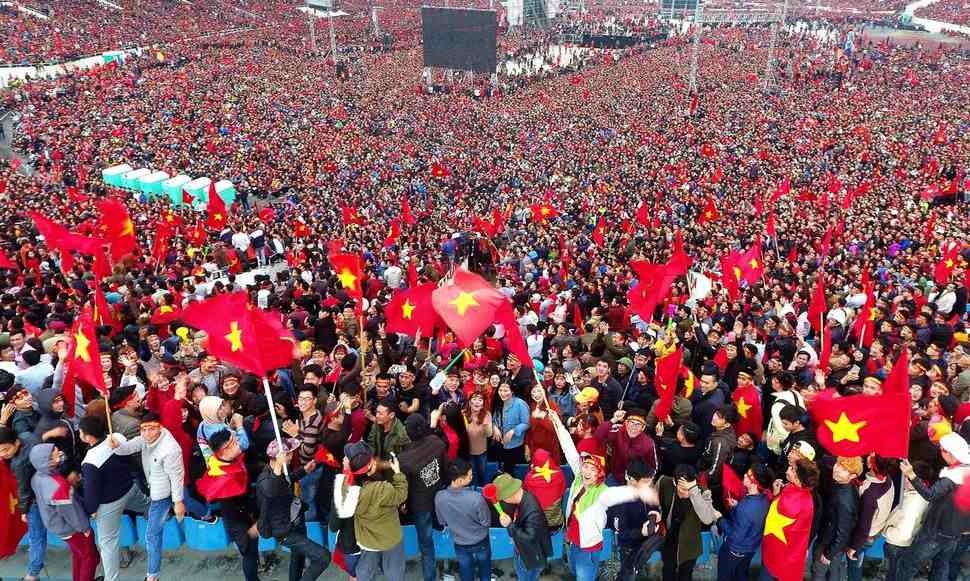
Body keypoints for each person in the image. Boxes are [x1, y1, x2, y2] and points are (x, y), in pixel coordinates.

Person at [551, 411, 657, 581]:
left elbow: (621, 493)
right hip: (572, 541)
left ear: (599, 473)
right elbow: (568, 448)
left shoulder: (603, 492)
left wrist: (642, 492)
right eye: (585, 466)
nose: (586, 471)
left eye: (592, 469)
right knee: (572, 569)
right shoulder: (579, 477)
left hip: (588, 547)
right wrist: (557, 422)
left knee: (584, 576)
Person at [109, 412, 187, 581]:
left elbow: (177, 477)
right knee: (153, 533)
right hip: (154, 488)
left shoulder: (171, 449)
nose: (147, 433)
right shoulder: (145, 439)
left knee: (152, 534)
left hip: (163, 495)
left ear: (161, 427)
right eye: (143, 429)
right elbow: (128, 448)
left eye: (152, 429)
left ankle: (152, 576)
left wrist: (178, 501)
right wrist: (116, 446)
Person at [78, 415, 150, 581]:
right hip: (130, 489)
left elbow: (91, 493)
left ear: (88, 436)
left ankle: (112, 578)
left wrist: (91, 511)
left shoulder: (90, 462)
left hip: (108, 504)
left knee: (108, 543)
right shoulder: (116, 438)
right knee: (148, 505)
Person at [896, 433, 970, 581]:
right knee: (941, 564)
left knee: (907, 564)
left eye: (942, 450)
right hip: (955, 532)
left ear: (952, 453)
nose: (940, 453)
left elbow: (930, 495)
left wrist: (912, 476)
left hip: (936, 531)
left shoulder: (951, 478)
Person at [256, 437, 331, 581]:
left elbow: (287, 480)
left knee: (298, 557)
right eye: (290, 453)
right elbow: (271, 490)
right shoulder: (266, 479)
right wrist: (279, 466)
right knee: (323, 557)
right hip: (285, 531)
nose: (292, 455)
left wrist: (304, 470)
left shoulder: (280, 472)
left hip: (295, 521)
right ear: (279, 456)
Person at [30, 443, 100, 581]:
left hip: (57, 525)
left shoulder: (37, 477)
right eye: (57, 453)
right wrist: (85, 528)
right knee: (90, 557)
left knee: (79, 555)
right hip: (72, 528)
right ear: (48, 461)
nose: (60, 454)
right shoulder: (58, 486)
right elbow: (71, 512)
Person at [344, 440, 409, 581]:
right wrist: (397, 472)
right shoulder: (383, 489)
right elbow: (401, 493)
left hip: (367, 541)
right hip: (390, 539)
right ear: (372, 466)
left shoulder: (348, 491)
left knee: (366, 571)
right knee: (395, 572)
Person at [397, 414, 448, 581]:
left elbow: (404, 486)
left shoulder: (404, 458)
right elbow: (446, 469)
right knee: (438, 527)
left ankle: (430, 577)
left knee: (426, 545)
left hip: (421, 505)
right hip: (439, 495)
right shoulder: (436, 442)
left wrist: (403, 504)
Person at [656, 464, 720, 581]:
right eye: (683, 489)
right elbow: (653, 501)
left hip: (689, 547)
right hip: (669, 543)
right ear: (675, 483)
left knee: (685, 575)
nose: (687, 493)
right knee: (668, 573)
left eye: (689, 488)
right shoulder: (665, 483)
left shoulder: (702, 492)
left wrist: (694, 491)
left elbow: (707, 519)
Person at [435, 458, 492, 581]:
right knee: (485, 568)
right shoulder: (476, 498)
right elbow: (486, 522)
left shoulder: (439, 497)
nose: (472, 477)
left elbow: (442, 522)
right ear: (460, 480)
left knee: (465, 570)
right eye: (470, 476)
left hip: (460, 542)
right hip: (480, 540)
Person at [0, 426, 45, 581]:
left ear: (16, 443)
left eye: (5, 450)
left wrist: (24, 511)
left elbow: (23, 491)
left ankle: (32, 575)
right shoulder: (27, 436)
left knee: (36, 537)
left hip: (34, 501)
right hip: (43, 493)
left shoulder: (18, 464)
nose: (2, 455)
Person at [715, 463, 774, 581]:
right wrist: (737, 506)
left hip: (734, 551)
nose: (744, 476)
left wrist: (720, 519)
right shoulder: (765, 499)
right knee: (741, 574)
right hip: (750, 549)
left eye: (748, 475)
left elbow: (735, 535)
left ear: (754, 483)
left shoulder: (746, 507)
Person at [492, 472, 552, 581]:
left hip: (529, 555)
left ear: (509, 495)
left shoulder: (532, 510)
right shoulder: (525, 496)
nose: (502, 501)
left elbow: (529, 537)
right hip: (532, 552)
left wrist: (510, 525)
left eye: (503, 498)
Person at [811, 456, 862, 581]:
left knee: (818, 573)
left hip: (829, 543)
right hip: (831, 541)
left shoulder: (845, 501)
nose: (837, 469)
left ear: (852, 476)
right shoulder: (842, 485)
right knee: (833, 570)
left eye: (843, 469)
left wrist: (828, 554)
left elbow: (843, 532)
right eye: (838, 464)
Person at [609, 458, 659, 581]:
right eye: (646, 482)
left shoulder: (645, 492)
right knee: (628, 575)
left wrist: (656, 513)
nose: (649, 485)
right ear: (630, 478)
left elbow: (654, 507)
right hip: (628, 547)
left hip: (646, 543)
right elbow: (620, 535)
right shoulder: (618, 502)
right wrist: (641, 533)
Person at [594, 406, 657, 485]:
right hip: (615, 477)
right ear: (626, 423)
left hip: (634, 483)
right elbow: (598, 436)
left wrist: (642, 483)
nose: (634, 427)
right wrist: (614, 419)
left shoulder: (648, 443)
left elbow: (653, 468)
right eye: (631, 423)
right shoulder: (618, 432)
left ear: (643, 427)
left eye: (638, 424)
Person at [492, 382, 530, 474]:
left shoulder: (520, 404)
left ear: (512, 391)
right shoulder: (498, 402)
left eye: (506, 390)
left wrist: (513, 431)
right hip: (500, 443)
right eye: (500, 390)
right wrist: (494, 427)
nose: (502, 393)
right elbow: (494, 419)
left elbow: (527, 423)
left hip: (515, 445)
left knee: (512, 471)